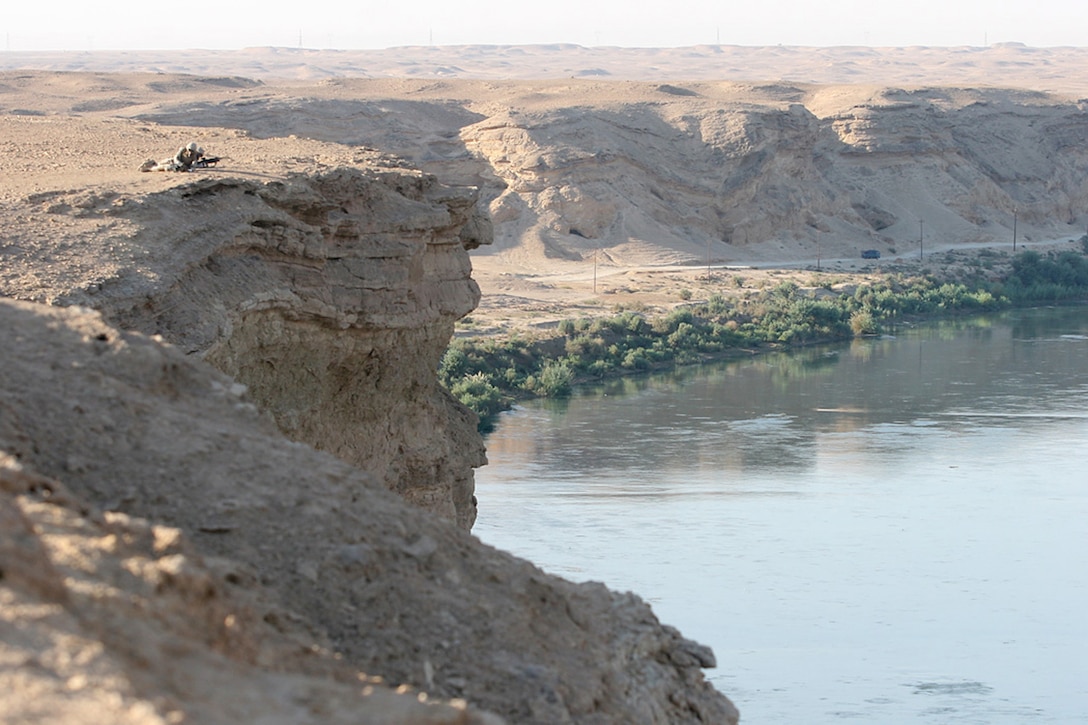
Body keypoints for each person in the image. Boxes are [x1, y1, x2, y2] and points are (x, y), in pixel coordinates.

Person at [140, 142, 206, 172]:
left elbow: (194, 163)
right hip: (172, 162)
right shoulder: (182, 150)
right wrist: (181, 164)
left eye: (192, 151)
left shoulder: (194, 155)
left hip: (175, 166)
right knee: (159, 164)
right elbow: (176, 158)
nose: (191, 152)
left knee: (165, 168)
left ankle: (150, 169)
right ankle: (149, 165)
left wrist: (191, 167)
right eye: (190, 150)